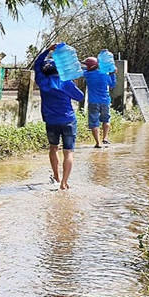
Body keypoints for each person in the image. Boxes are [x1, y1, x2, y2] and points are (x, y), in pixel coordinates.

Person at [34, 44, 85, 190]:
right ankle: (64, 182)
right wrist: (71, 85)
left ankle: (56, 176)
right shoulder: (66, 83)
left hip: (51, 121)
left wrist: (47, 50)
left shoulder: (43, 82)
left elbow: (37, 64)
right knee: (68, 152)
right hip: (68, 120)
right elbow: (80, 96)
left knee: (53, 147)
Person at [83, 56, 117, 148]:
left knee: (94, 122)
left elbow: (81, 71)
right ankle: (105, 139)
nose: (85, 67)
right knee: (106, 120)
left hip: (93, 101)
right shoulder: (104, 75)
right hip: (105, 101)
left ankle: (98, 143)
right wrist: (113, 74)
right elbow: (112, 84)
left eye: (87, 65)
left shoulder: (87, 75)